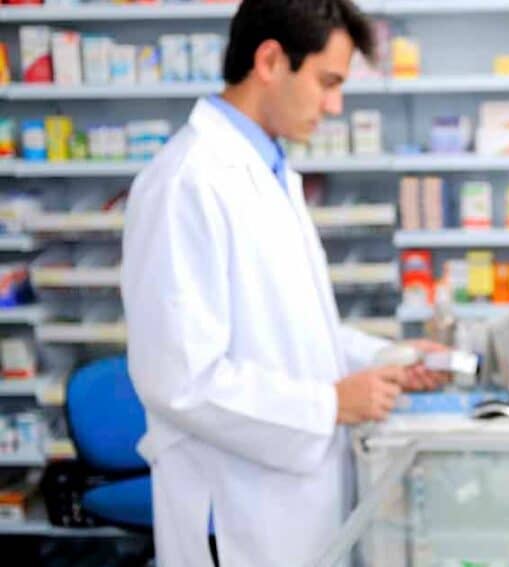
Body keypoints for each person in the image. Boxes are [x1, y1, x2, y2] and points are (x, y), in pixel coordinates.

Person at [121, 1, 448, 565]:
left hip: (290, 502)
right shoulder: (187, 182)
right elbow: (180, 380)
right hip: (235, 513)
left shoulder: (268, 171)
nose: (335, 105)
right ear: (270, 60)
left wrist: (385, 357)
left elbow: (295, 329)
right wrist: (329, 405)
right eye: (327, 82)